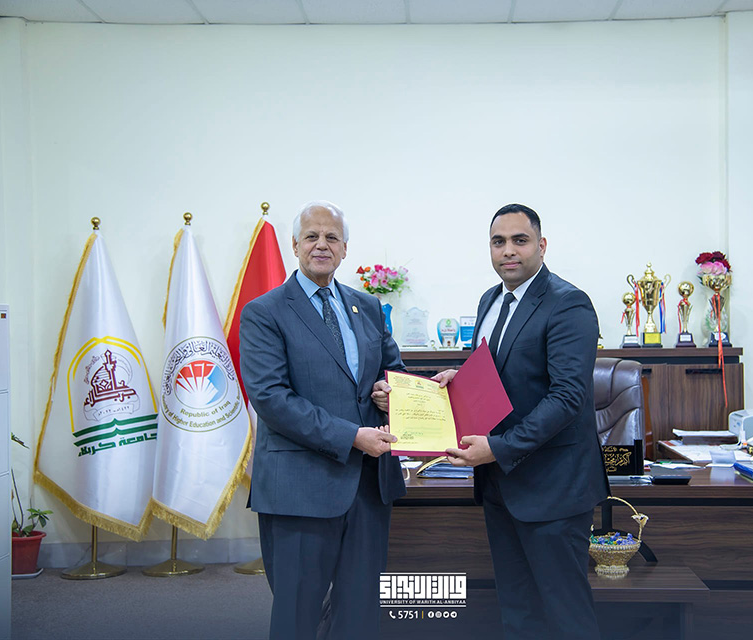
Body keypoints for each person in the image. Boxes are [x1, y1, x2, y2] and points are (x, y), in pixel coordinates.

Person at [375, 203, 607, 638]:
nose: (508, 251)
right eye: (498, 242)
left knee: (566, 614)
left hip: (552, 487)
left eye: (520, 240)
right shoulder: (491, 299)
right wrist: (458, 378)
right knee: (517, 609)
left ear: (542, 245)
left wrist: (498, 448)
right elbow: (498, 375)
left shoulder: (568, 303)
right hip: (501, 483)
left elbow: (568, 397)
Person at [240, 200, 405, 640]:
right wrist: (352, 436)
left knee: (360, 612)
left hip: (368, 488)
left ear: (345, 248)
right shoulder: (264, 312)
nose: (321, 245)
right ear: (294, 245)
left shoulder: (368, 307)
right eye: (311, 236)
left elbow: (394, 371)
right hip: (300, 489)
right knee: (297, 614)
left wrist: (389, 391)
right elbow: (271, 398)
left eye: (332, 237)